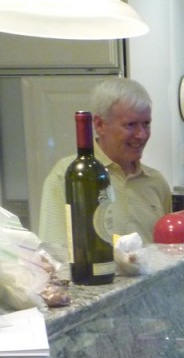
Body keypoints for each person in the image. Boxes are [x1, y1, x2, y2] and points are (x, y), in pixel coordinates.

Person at [38, 76, 171, 247]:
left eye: (146, 124)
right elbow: (54, 252)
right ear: (100, 125)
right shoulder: (67, 176)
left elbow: (168, 253)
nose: (142, 135)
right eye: (131, 125)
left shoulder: (156, 182)